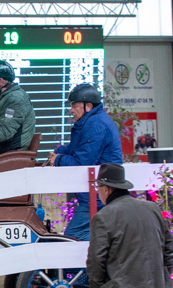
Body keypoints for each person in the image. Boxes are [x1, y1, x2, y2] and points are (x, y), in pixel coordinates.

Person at [45, 83, 123, 241]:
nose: (71, 110)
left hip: (97, 197)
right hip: (97, 194)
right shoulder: (91, 122)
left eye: (74, 105)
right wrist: (59, 152)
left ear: (88, 106)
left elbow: (81, 163)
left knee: (72, 240)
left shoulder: (95, 125)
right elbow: (76, 149)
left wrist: (57, 159)